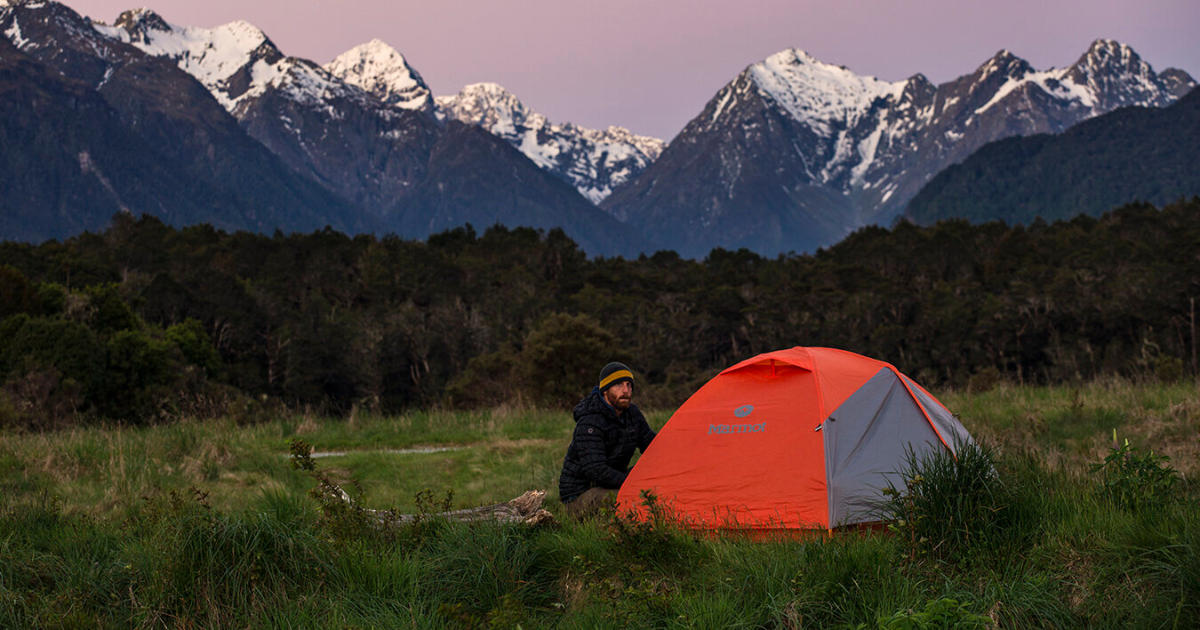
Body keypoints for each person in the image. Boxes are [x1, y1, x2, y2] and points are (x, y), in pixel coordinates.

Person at [558, 362, 657, 518]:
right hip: (581, 495)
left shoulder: (632, 414)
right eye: (618, 385)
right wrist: (633, 482)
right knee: (634, 499)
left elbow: (654, 447)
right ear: (605, 390)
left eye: (629, 385)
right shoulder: (590, 421)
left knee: (656, 485)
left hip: (611, 484)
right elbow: (596, 470)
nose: (626, 390)